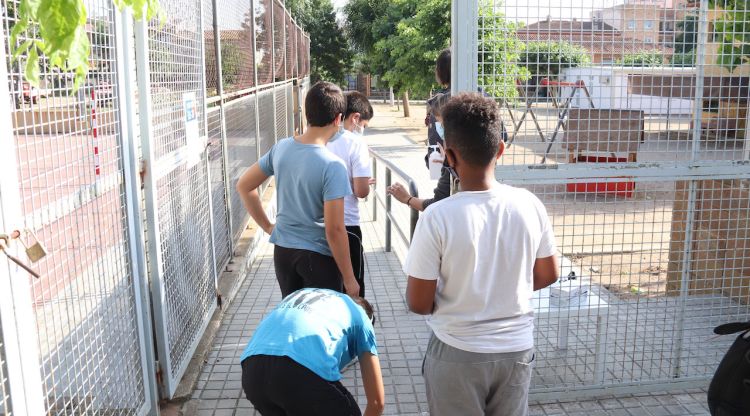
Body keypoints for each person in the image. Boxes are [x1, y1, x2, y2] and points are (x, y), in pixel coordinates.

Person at [403, 93, 560, 416]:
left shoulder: (438, 216)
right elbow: (548, 273)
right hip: (516, 349)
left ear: (449, 156)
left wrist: (465, 296)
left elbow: (418, 302)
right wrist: (502, 290)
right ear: (500, 150)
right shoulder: (529, 204)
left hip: (457, 351)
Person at [236, 81, 359, 298]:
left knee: (295, 319)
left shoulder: (281, 148)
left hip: (283, 254)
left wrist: (268, 227)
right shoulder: (333, 166)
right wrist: (350, 280)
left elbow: (244, 186)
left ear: (307, 113)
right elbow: (335, 230)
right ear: (338, 119)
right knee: (321, 327)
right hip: (318, 258)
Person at [240, 288, 385, 416]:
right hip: (296, 372)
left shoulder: (309, 295)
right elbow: (377, 402)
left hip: (252, 373)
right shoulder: (362, 319)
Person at [327, 91, 374, 297]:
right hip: (348, 226)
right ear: (355, 118)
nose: (362, 130)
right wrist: (365, 184)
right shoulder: (355, 143)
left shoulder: (321, 138)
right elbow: (361, 191)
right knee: (353, 289)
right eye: (363, 125)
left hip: (319, 225)